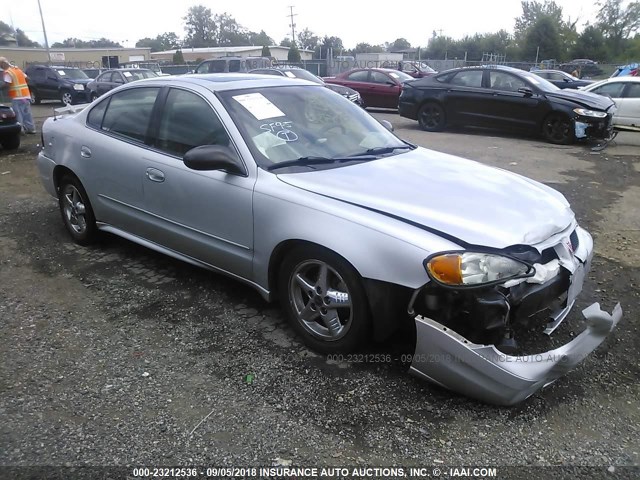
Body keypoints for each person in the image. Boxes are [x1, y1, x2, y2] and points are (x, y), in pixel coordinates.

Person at [0, 57, 36, 134]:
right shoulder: (17, 70)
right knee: (27, 113)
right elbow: (28, 79)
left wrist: (1, 88)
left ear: (3, 64)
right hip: (26, 96)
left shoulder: (8, 72)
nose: (1, 67)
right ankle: (31, 129)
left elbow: (7, 83)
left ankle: (20, 130)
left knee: (18, 114)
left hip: (17, 97)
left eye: (0, 65)